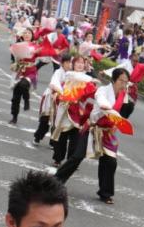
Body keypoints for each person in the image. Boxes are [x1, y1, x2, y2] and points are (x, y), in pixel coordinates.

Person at [55, 67, 129, 204]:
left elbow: (122, 112)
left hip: (107, 131)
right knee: (77, 156)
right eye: (121, 81)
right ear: (114, 79)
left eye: (126, 82)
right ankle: (56, 181)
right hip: (93, 128)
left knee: (110, 161)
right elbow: (100, 101)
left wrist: (116, 124)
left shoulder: (123, 94)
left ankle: (105, 192)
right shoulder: (103, 91)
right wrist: (107, 108)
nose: (123, 84)